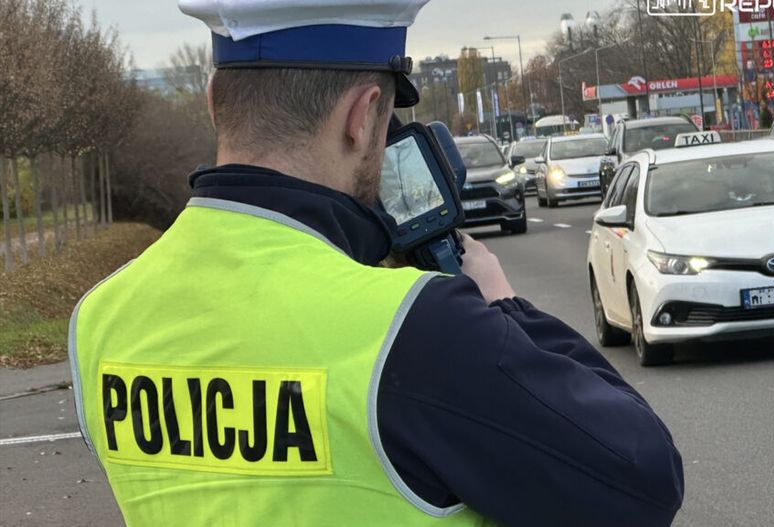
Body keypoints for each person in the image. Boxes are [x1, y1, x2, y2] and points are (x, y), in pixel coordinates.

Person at [68, 1, 684, 525]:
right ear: (362, 118)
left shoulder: (101, 318)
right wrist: (503, 306)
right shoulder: (414, 327)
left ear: (212, 103)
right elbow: (644, 477)